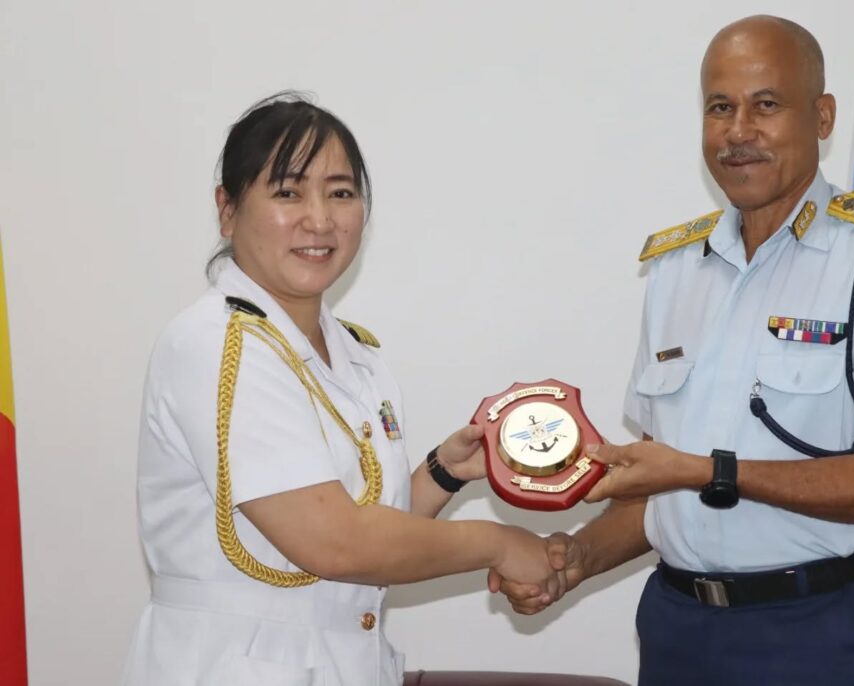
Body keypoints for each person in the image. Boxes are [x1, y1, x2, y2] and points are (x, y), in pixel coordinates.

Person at [491, 15, 854, 686]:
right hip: (678, 630)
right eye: (719, 108)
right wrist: (577, 560)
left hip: (818, 635)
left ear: (822, 117)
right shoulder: (676, 267)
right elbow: (657, 486)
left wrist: (710, 471)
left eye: (766, 105)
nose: (738, 131)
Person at [121, 93, 556, 686]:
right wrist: (499, 544)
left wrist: (444, 472)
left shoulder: (356, 355)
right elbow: (336, 543)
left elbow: (372, 524)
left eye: (341, 193)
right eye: (288, 192)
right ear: (228, 209)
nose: (320, 219)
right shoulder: (219, 344)